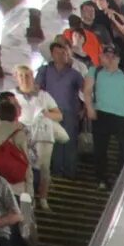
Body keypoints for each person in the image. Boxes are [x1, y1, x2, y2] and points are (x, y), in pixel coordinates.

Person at [35, 38, 87, 181]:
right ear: (52, 54)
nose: (61, 56)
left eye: (63, 53)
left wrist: (85, 108)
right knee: (55, 141)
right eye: (57, 53)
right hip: (51, 112)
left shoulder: (74, 74)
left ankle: (70, 172)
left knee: (69, 141)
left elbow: (86, 90)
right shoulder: (45, 70)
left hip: (70, 112)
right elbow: (37, 89)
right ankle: (57, 171)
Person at [87, 44, 124, 179]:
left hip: (122, 117)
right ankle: (101, 178)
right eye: (107, 56)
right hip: (101, 113)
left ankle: (121, 177)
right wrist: (89, 108)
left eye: (113, 57)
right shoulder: (95, 71)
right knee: (100, 149)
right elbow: (87, 91)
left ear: (118, 59)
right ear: (101, 57)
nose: (110, 59)